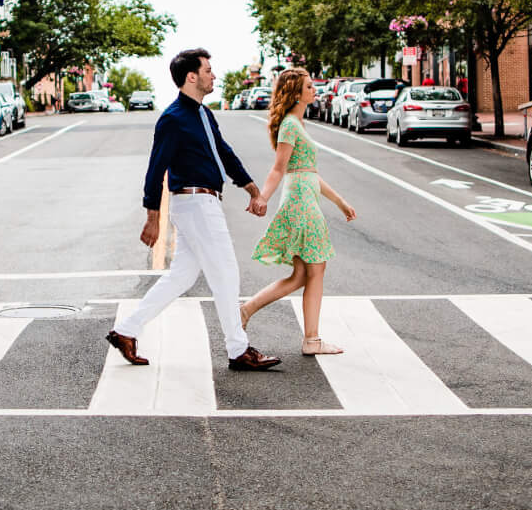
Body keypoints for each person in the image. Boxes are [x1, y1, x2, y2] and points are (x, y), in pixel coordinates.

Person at [106, 48, 283, 372]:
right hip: (195, 203)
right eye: (208, 70)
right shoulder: (173, 119)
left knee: (182, 276)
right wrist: (152, 218)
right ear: (192, 76)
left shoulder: (203, 113)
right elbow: (155, 169)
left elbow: (224, 152)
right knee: (226, 273)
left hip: (203, 202)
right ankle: (238, 350)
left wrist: (251, 186)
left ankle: (126, 331)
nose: (213, 75)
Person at [239, 69, 357, 355]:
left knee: (302, 274)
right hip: (301, 201)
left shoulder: (296, 125)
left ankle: (245, 311)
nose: (314, 89)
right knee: (316, 269)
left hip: (304, 195)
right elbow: (280, 168)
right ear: (295, 93)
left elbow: (308, 172)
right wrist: (261, 197)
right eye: (308, 86)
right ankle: (312, 341)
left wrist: (339, 201)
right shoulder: (291, 125)